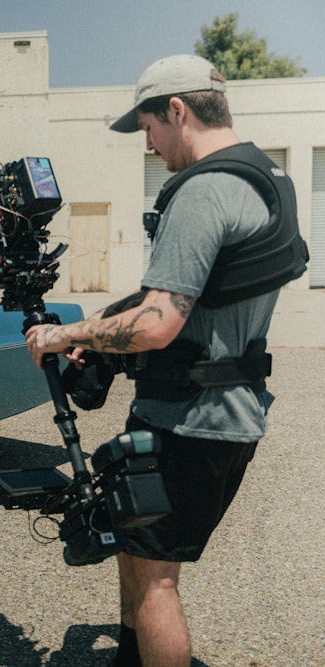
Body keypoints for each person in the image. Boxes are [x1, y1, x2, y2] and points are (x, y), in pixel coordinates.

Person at [25, 55, 307, 666]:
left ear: (177, 110)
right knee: (138, 556)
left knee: (157, 583)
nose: (150, 146)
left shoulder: (204, 188)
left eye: (149, 127)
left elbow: (157, 325)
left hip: (188, 420)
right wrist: (101, 331)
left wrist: (63, 335)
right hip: (224, 409)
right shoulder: (267, 177)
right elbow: (200, 294)